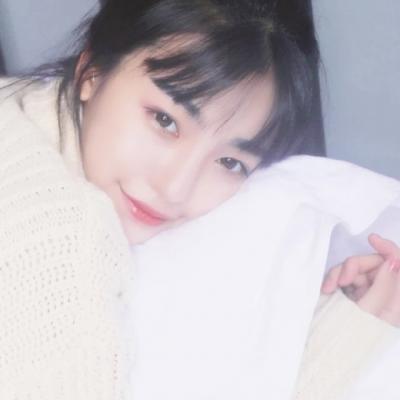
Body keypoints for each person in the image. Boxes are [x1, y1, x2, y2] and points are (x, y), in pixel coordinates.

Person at [0, 1, 398, 399]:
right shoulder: (61, 237)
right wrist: (340, 349)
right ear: (93, 70)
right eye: (164, 121)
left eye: (230, 162)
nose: (175, 189)